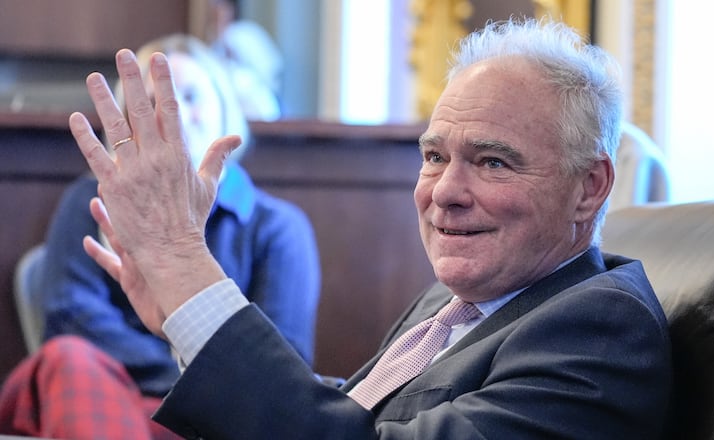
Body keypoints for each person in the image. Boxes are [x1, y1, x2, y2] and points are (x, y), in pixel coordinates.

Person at [67, 18, 672, 439]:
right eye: (434, 157)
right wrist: (184, 321)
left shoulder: (600, 328)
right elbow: (348, 414)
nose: (445, 193)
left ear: (588, 186)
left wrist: (185, 270)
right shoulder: (456, 302)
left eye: (492, 162)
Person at [0, 34, 320, 439]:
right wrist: (187, 377)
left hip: (214, 415)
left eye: (190, 95)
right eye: (152, 104)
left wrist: (201, 390)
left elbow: (284, 363)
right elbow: (70, 318)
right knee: (69, 359)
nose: (176, 115)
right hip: (104, 393)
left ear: (225, 112)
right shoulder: (87, 201)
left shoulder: (279, 226)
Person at [205, 0, 283, 121]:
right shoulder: (211, 44)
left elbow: (271, 72)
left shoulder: (248, 34)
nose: (217, 11)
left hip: (256, 104)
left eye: (221, 6)